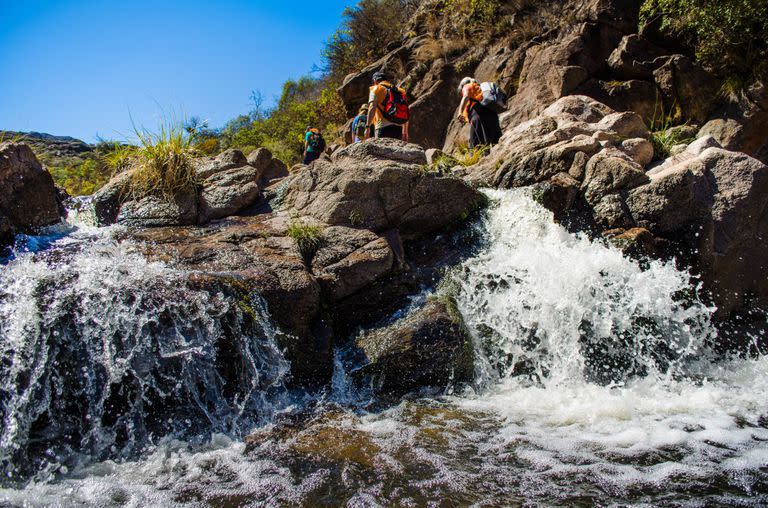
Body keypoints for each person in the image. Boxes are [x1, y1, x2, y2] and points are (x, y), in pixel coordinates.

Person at [457, 77, 502, 148]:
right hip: (492, 114)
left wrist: (460, 112)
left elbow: (466, 96)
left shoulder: (467, 86)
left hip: (479, 116)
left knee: (477, 147)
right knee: (497, 143)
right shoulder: (480, 89)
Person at [366, 71, 409, 141]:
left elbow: (372, 108)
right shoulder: (400, 91)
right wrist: (405, 132)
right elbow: (405, 111)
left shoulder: (376, 88)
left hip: (382, 127)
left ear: (375, 81)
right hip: (398, 128)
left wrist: (367, 127)